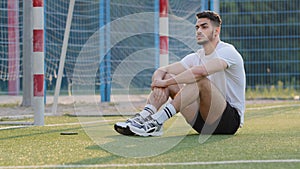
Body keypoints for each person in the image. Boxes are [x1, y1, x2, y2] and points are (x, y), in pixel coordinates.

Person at [114, 11, 245, 137]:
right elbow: (162, 71)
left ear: (216, 31)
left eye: (204, 27)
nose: (199, 31)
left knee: (200, 80)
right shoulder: (196, 56)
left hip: (228, 122)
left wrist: (164, 83)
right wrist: (159, 84)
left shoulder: (228, 52)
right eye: (197, 27)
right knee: (168, 76)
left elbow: (200, 72)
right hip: (201, 123)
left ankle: (157, 121)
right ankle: (144, 117)